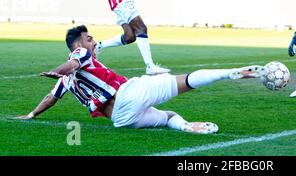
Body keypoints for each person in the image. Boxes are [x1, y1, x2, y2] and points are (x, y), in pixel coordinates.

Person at [13, 25, 266, 134]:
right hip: (127, 94)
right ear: (78, 44)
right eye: (90, 39)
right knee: (184, 80)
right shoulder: (78, 54)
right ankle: (234, 72)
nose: (93, 42)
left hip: (122, 121)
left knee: (168, 116)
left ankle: (187, 126)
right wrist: (59, 69)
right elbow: (72, 63)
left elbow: (50, 98)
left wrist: (32, 114)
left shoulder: (66, 81)